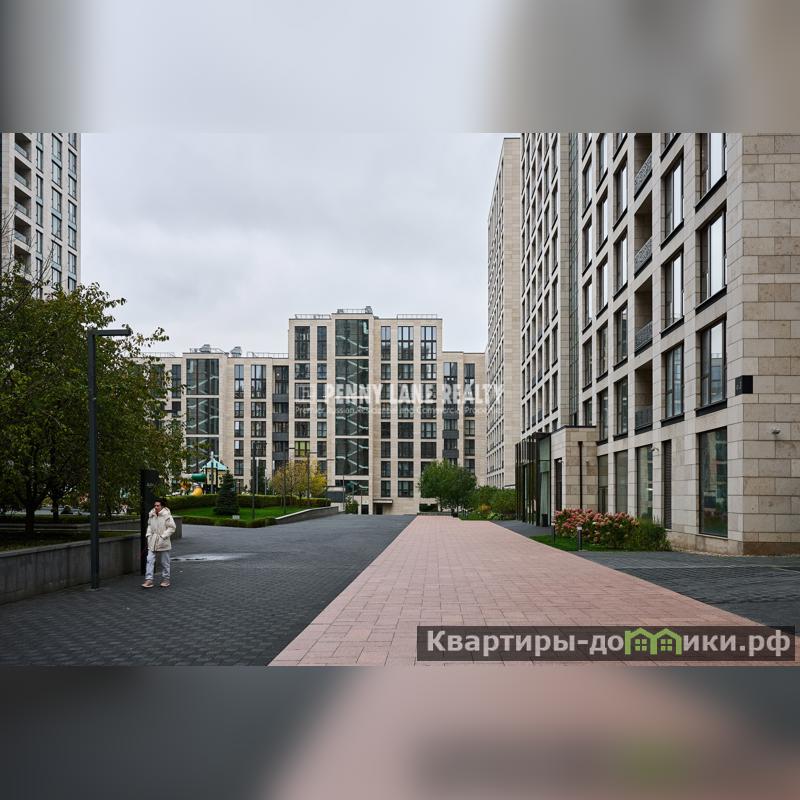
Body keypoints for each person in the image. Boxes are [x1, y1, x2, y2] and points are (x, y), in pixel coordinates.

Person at [142, 498, 176, 588]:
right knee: (149, 560)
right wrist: (148, 535)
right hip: (152, 541)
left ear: (162, 506)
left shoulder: (167, 515)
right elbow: (149, 525)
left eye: (158, 505)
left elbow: (172, 528)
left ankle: (166, 579)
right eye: (155, 505)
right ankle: (149, 580)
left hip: (163, 541)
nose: (156, 507)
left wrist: (163, 536)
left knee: (165, 562)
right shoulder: (152, 514)